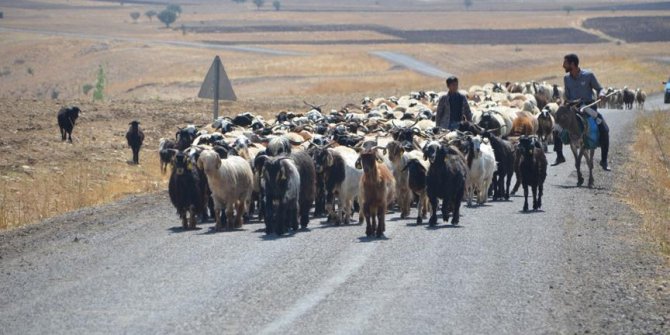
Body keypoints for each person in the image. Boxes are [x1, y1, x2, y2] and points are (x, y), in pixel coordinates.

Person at [552, 54, 611, 171]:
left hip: (588, 107)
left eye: (565, 63)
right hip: (572, 107)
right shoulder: (566, 78)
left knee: (604, 129)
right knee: (556, 128)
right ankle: (559, 156)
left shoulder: (588, 76)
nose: (563, 65)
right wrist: (564, 102)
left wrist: (602, 94)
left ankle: (604, 161)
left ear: (573, 64)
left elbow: (600, 88)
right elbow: (567, 96)